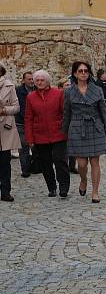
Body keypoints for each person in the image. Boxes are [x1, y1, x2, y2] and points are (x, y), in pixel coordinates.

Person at [63, 61, 106, 203]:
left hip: (95, 126)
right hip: (78, 128)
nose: (83, 73)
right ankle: (83, 180)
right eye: (80, 71)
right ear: (75, 74)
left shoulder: (97, 90)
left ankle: (95, 192)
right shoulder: (68, 92)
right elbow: (67, 113)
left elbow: (104, 110)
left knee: (95, 161)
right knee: (82, 164)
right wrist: (65, 131)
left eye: (86, 71)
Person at [25, 69, 70, 198]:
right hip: (40, 135)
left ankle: (63, 186)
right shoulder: (31, 97)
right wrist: (30, 138)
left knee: (60, 160)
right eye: (37, 80)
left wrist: (65, 128)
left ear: (48, 81)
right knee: (45, 163)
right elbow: (28, 118)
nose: (39, 82)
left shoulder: (58, 93)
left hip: (58, 133)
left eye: (42, 80)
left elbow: (65, 113)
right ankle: (51, 187)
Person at [0, 65, 21, 201]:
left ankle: (5, 191)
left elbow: (16, 107)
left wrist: (4, 110)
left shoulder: (9, 86)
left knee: (4, 162)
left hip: (4, 128)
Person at [14, 71, 33, 177]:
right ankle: (25, 170)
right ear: (24, 80)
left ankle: (36, 167)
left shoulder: (37, 90)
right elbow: (18, 106)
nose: (31, 81)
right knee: (23, 146)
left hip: (35, 123)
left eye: (32, 79)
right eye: (29, 79)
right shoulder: (18, 91)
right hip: (21, 123)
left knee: (37, 147)